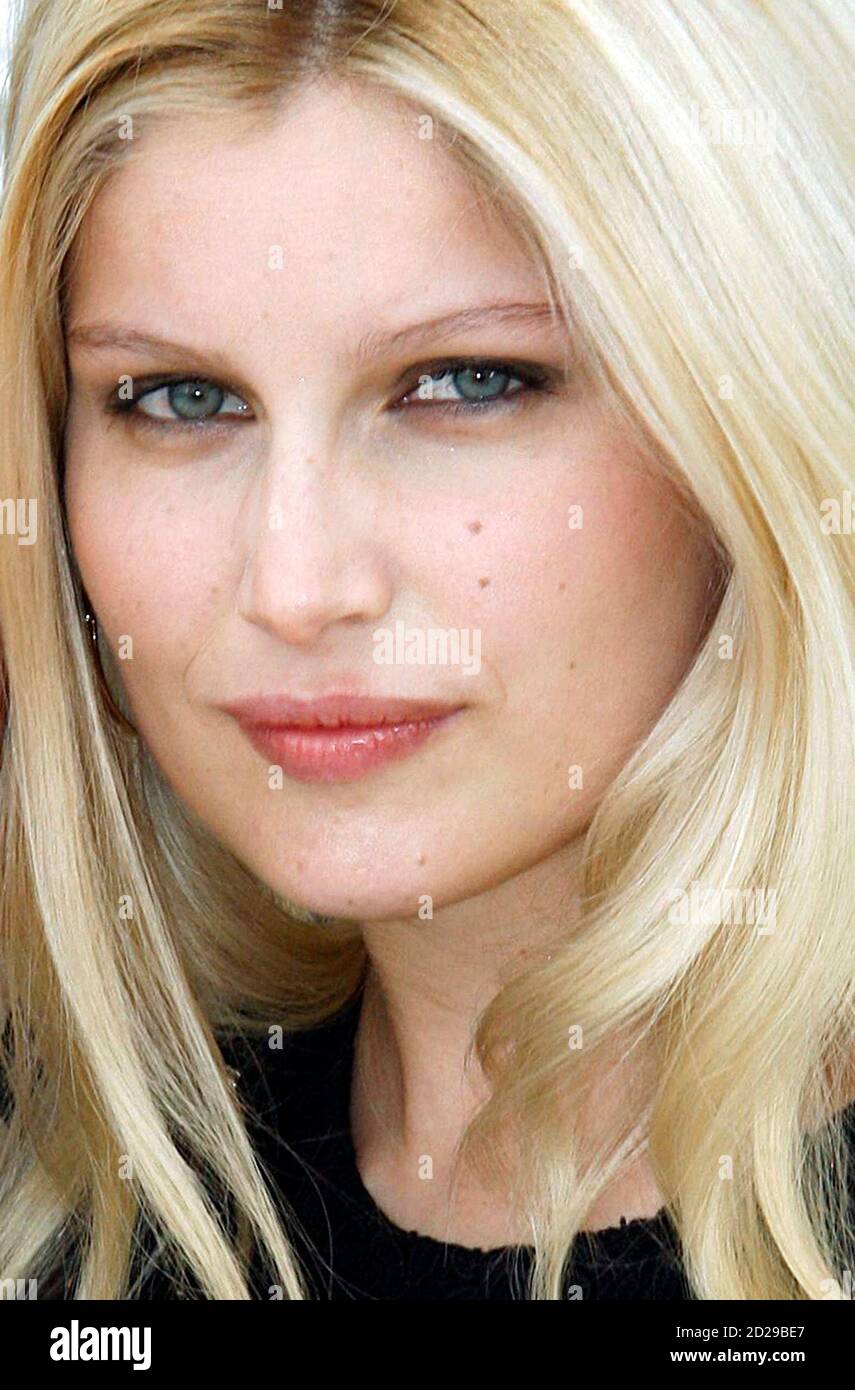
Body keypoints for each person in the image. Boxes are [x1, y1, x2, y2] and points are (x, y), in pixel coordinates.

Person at [0, 0, 852, 1301]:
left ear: (754, 417)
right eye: (181, 399)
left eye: (465, 380)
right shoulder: (77, 1216)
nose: (295, 586)